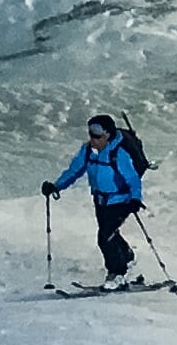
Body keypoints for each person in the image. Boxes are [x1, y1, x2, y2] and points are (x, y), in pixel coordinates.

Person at [43, 113, 148, 285]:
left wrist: (135, 199)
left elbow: (133, 179)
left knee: (105, 237)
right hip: (100, 202)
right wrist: (56, 186)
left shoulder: (118, 154)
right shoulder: (88, 151)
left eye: (97, 135)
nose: (93, 139)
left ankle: (117, 273)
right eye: (91, 134)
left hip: (121, 201)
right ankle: (127, 257)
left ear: (108, 135)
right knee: (110, 234)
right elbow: (74, 171)